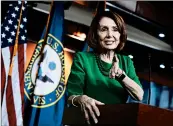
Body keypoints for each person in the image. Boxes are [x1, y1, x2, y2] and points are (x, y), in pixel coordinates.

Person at [66, 11, 144, 124]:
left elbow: (139, 95)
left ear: (120, 34)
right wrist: (82, 99)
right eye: (103, 29)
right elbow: (72, 95)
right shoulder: (83, 58)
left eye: (115, 29)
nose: (109, 35)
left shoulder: (126, 62)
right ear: (95, 34)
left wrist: (120, 75)